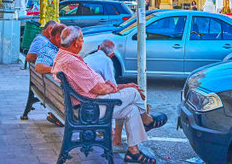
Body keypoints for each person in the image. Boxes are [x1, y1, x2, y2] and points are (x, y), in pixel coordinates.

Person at [52, 27, 167, 164]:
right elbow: (99, 88)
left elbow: (98, 85)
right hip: (90, 109)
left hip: (87, 105)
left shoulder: (65, 57)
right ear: (76, 42)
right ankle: (147, 120)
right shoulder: (71, 61)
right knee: (134, 93)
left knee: (132, 109)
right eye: (82, 39)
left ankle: (133, 151)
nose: (82, 42)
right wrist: (118, 87)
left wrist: (121, 86)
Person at [85, 40, 141, 146]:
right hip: (93, 106)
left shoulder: (88, 58)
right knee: (126, 99)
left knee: (128, 106)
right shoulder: (106, 60)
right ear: (112, 54)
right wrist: (127, 86)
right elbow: (113, 88)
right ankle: (119, 137)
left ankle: (117, 136)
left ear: (98, 48)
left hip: (87, 102)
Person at [34, 23, 66, 127]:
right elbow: (38, 67)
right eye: (66, 38)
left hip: (52, 92)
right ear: (57, 37)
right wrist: (57, 69)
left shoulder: (53, 49)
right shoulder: (48, 50)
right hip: (60, 98)